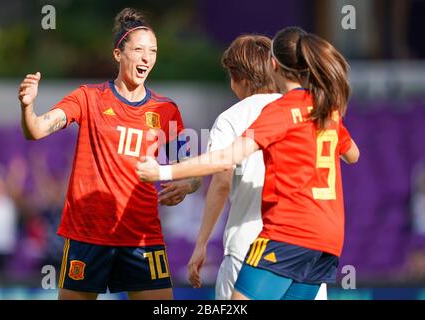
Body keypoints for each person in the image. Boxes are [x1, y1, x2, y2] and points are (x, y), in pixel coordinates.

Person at [137, 26, 360, 300]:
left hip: (280, 236)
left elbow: (225, 163)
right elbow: (353, 155)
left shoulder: (275, 112)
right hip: (325, 242)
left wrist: (162, 170)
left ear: (274, 64)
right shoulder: (325, 108)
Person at [18, 7, 200, 300]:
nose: (146, 58)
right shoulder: (87, 98)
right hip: (87, 235)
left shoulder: (166, 110)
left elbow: (191, 170)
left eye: (152, 51)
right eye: (139, 50)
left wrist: (187, 185)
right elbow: (36, 130)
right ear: (118, 54)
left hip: (142, 237)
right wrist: (27, 106)